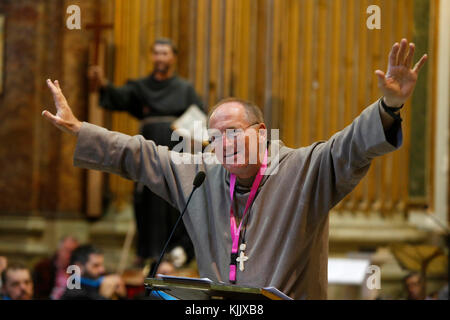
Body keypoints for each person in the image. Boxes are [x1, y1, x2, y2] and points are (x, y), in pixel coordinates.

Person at [43, 39, 427, 299]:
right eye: (214, 136)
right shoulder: (202, 177)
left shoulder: (301, 170)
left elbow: (350, 146)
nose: (222, 143)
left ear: (261, 133)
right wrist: (81, 130)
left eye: (232, 132)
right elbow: (140, 155)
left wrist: (388, 107)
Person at [88, 38, 201, 269]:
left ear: (173, 58)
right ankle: (147, 251)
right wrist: (102, 84)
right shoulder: (141, 86)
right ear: (152, 57)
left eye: (165, 53)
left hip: (175, 146)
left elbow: (200, 117)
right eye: (156, 53)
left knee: (173, 193)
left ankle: (171, 253)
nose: (160, 57)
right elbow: (119, 97)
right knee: (146, 194)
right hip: (148, 145)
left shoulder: (185, 89)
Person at [60, 244, 126, 300]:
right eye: (96, 266)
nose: (102, 269)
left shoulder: (96, 283)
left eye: (102, 265)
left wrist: (122, 296)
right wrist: (104, 296)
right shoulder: (73, 293)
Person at [33, 235, 79, 299]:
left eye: (73, 252)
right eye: (67, 250)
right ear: (59, 250)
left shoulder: (77, 270)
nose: (70, 255)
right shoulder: (43, 267)